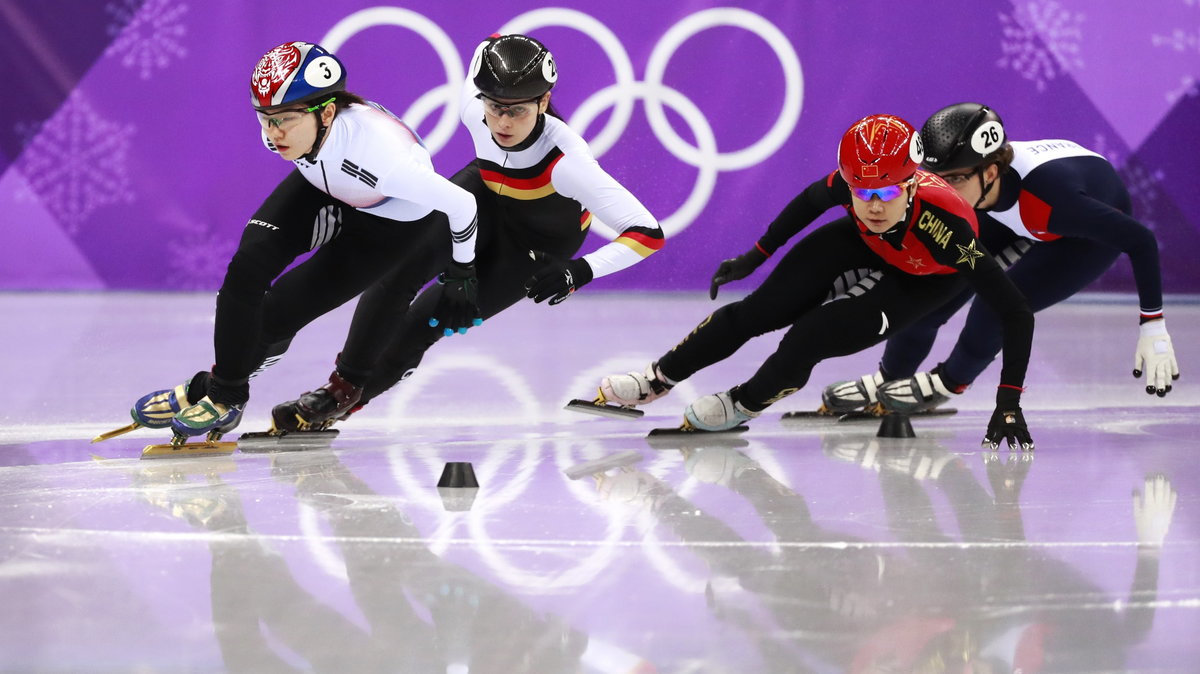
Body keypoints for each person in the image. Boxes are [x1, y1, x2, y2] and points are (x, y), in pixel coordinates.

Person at [269, 33, 665, 432]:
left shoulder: (568, 162)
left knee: (427, 320)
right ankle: (342, 388)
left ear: (544, 102)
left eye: (519, 111)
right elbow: (489, 42)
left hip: (533, 248)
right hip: (483, 197)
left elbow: (648, 233)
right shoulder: (472, 106)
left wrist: (579, 271)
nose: (504, 122)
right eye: (495, 107)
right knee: (399, 268)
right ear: (480, 97)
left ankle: (350, 403)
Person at [117, 41, 482, 444]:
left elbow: (462, 204)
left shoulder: (387, 159)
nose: (274, 133)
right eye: (265, 119)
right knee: (246, 270)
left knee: (278, 315)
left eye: (285, 120)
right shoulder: (290, 133)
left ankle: (207, 387)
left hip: (388, 225)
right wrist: (284, 127)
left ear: (327, 112)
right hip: (329, 187)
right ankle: (226, 394)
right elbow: (292, 140)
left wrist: (462, 271)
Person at [599, 113, 1036, 449]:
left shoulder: (949, 230)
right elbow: (810, 201)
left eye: (886, 193)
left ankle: (742, 403)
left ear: (912, 185)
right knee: (757, 311)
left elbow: (1017, 312)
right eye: (862, 192)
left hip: (924, 279)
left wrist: (1009, 404)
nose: (874, 203)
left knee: (810, 336)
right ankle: (657, 379)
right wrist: (755, 256)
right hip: (862, 244)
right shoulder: (857, 185)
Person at [818, 103, 1180, 416]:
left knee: (996, 304)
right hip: (1006, 210)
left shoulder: (1054, 201)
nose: (942, 190)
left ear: (989, 172)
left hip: (1078, 233)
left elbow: (1141, 239)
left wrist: (1153, 325)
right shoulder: (968, 186)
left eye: (954, 179)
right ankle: (890, 378)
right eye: (933, 178)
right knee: (932, 283)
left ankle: (948, 383)